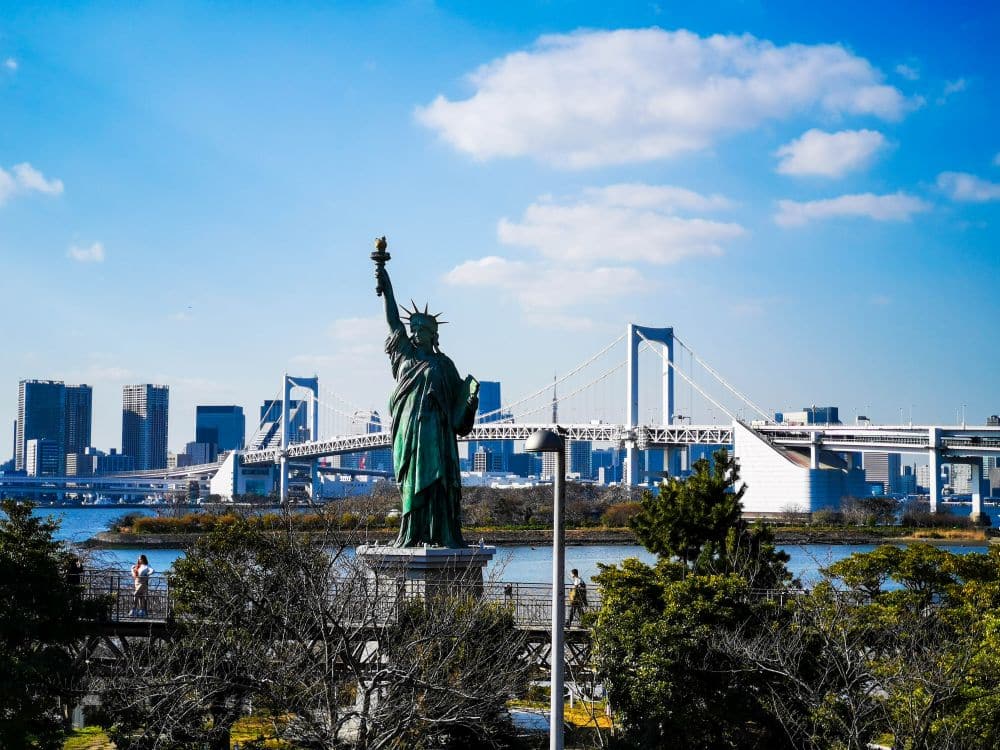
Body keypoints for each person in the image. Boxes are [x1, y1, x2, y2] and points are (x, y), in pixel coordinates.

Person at [376, 262, 479, 548]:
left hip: (437, 432)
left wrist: (470, 400)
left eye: (422, 329)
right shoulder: (404, 355)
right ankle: (411, 532)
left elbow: (459, 410)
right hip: (409, 430)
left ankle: (442, 532)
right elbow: (393, 322)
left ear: (434, 335)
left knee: (439, 483)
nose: (416, 332)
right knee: (410, 484)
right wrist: (387, 288)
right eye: (414, 328)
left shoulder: (444, 365)